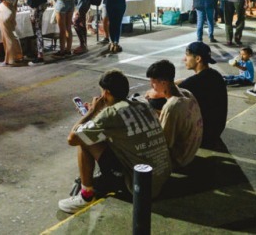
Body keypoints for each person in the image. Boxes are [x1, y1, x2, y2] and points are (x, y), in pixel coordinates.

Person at [58, 69, 171, 214]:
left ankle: (86, 196)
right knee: (98, 135)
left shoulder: (110, 114)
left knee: (85, 140)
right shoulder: (142, 104)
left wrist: (92, 112)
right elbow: (121, 125)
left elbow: (72, 138)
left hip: (140, 187)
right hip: (161, 176)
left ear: (106, 93)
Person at [144, 60, 202, 170]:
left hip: (179, 159)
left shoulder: (171, 107)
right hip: (191, 152)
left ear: (164, 83)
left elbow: (163, 144)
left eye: (153, 82)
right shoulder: (186, 93)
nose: (151, 85)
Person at [178, 42, 227, 148]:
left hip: (203, 136)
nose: (184, 59)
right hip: (216, 131)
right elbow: (191, 81)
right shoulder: (215, 75)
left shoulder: (192, 84)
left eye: (187, 55)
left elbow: (170, 92)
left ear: (198, 59)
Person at [22, 0, 51, 65]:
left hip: (37, 6)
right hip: (41, 5)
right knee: (38, 30)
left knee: (37, 30)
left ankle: (40, 55)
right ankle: (39, 52)